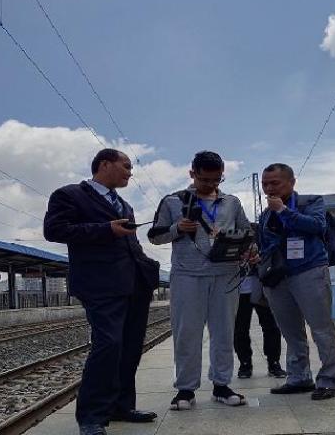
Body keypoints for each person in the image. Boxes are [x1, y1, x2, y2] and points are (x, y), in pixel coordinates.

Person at [44, 148, 161, 435]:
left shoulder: (124, 205)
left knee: (130, 346)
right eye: (126, 166)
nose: (130, 172)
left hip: (134, 284)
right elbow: (55, 230)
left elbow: (130, 245)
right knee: (108, 344)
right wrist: (105, 229)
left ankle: (122, 405)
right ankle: (92, 417)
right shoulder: (69, 195)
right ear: (105, 164)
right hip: (100, 284)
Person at [148, 151, 250, 410]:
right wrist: (177, 229)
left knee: (224, 333)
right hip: (188, 276)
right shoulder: (172, 201)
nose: (212, 185)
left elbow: (248, 232)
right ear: (192, 173)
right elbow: (154, 236)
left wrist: (250, 248)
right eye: (206, 180)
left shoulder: (232, 202)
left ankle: (221, 385)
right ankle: (185, 389)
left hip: (226, 276)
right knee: (186, 334)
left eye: (217, 180)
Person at [257, 163, 335, 400]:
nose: (268, 188)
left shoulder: (311, 202)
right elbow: (265, 244)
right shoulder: (265, 215)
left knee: (321, 328)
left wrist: (284, 211)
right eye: (265, 184)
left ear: (291, 182)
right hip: (278, 276)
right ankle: (299, 378)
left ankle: (329, 380)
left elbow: (316, 226)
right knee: (291, 331)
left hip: (309, 271)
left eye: (275, 183)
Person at [234, 263, 287, 379]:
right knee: (240, 327)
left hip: (263, 280)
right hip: (240, 283)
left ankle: (274, 362)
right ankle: (245, 363)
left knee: (271, 325)